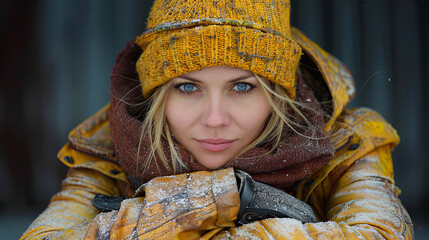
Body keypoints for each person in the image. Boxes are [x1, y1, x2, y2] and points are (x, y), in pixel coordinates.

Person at [21, 0, 414, 239]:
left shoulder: (347, 139)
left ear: (277, 94)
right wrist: (221, 198)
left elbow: (380, 234)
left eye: (242, 88)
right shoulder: (113, 144)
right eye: (187, 88)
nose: (214, 119)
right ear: (159, 94)